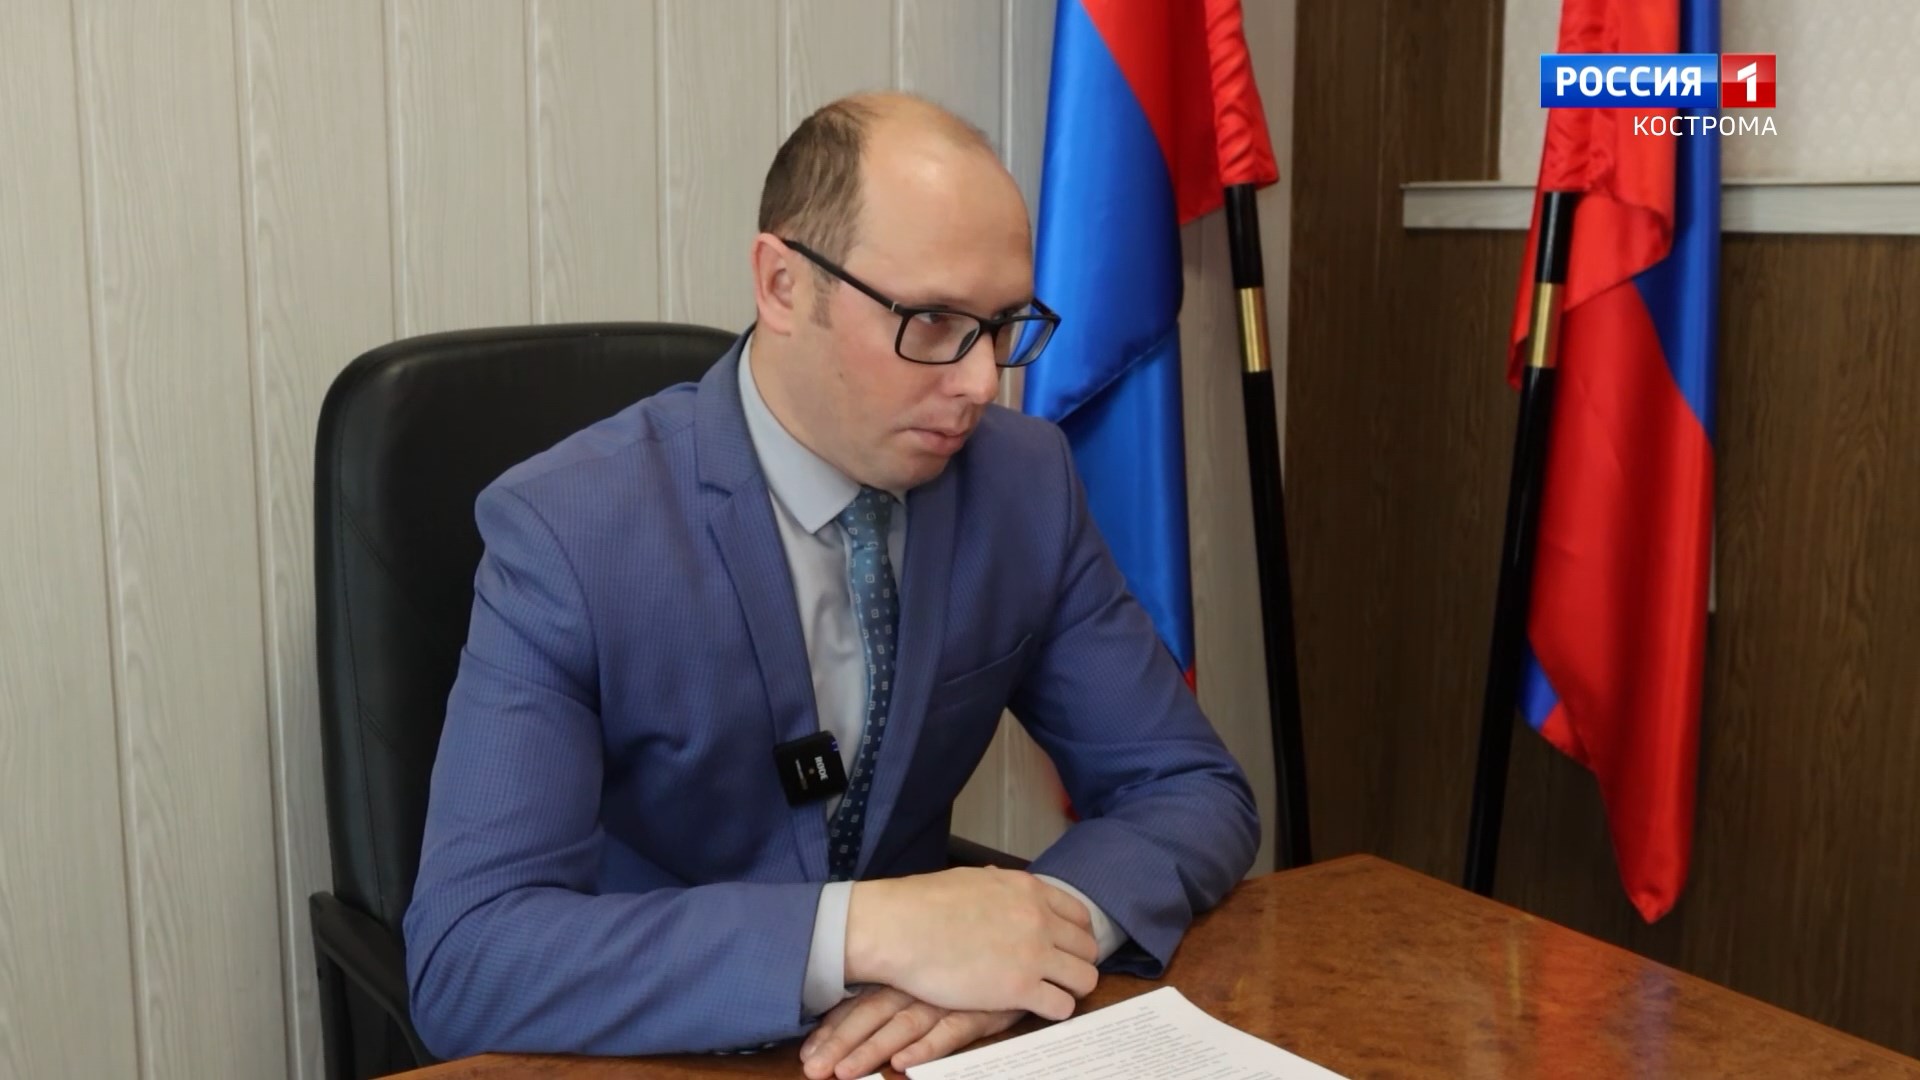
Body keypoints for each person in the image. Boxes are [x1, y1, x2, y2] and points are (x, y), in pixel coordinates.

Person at [403, 91, 1260, 1080]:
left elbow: (1190, 788)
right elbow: (470, 957)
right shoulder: (568, 529)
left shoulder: (1024, 484)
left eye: (1003, 326)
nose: (983, 383)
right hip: (664, 1045)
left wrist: (1035, 936)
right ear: (781, 285)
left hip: (909, 1054)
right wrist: (864, 931)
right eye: (933, 321)